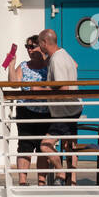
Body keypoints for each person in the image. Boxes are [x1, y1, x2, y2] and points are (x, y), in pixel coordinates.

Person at [37, 28, 81, 186]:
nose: (39, 47)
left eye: (39, 44)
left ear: (44, 42)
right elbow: (75, 66)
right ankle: (71, 181)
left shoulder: (56, 59)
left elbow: (63, 88)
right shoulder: (64, 54)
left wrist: (41, 89)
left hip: (65, 111)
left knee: (45, 145)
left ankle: (61, 173)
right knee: (70, 145)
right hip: (72, 108)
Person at [8, 34, 50, 185]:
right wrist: (12, 65)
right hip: (25, 111)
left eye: (32, 46)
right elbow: (13, 85)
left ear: (41, 47)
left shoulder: (49, 65)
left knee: (43, 148)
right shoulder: (24, 66)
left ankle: (41, 182)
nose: (29, 50)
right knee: (25, 146)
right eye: (27, 47)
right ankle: (22, 181)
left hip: (45, 113)